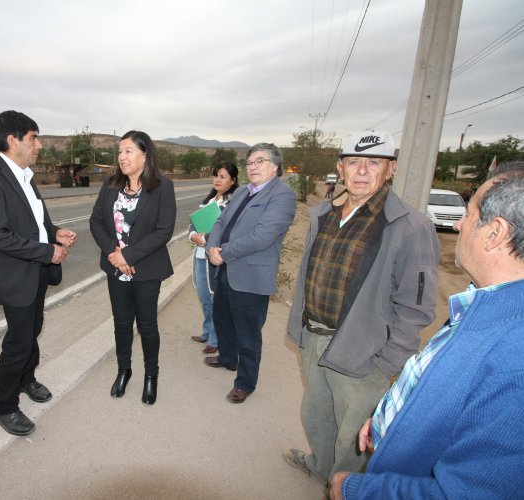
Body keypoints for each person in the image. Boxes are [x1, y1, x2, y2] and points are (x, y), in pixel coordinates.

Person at [330, 161, 524, 499]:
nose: (460, 223)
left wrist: (356, 489)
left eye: (469, 212)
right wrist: (387, 419)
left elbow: (468, 493)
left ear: (495, 233)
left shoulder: (513, 357)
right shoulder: (486, 306)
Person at [283, 131, 440, 484]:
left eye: (374, 163)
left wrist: (387, 362)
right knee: (318, 413)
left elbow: (416, 308)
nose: (363, 171)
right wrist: (300, 329)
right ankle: (321, 466)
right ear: (341, 167)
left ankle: (347, 487)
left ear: (390, 169)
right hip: (314, 337)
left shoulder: (411, 226)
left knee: (355, 432)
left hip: (363, 349)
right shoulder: (323, 214)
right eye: (354, 162)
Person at [0, 110, 77, 436]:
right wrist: (47, 251)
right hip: (15, 275)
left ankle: (26, 379)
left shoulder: (25, 177)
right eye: (34, 138)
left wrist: (55, 232)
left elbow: (35, 224)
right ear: (12, 140)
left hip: (35, 274)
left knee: (33, 328)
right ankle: (3, 406)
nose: (39, 145)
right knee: (18, 341)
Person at [204, 143, 296, 404]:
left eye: (259, 161)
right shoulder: (243, 191)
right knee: (222, 318)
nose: (252, 166)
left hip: (251, 275)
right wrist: (212, 246)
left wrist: (223, 252)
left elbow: (263, 236)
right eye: (250, 162)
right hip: (226, 269)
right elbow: (221, 221)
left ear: (275, 166)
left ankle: (245, 383)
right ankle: (227, 358)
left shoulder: (282, 196)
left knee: (248, 333)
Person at [89, 130, 176, 405]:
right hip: (116, 267)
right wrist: (114, 254)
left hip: (146, 269)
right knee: (122, 323)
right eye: (119, 151)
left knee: (147, 325)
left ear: (144, 155)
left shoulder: (162, 186)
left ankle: (152, 376)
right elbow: (96, 221)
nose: (121, 157)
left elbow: (164, 230)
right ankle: (123, 370)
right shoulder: (111, 184)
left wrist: (129, 256)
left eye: (128, 151)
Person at [189, 162, 239, 354]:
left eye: (223, 176)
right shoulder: (209, 201)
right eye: (216, 175)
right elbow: (193, 224)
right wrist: (194, 236)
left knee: (215, 298)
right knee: (204, 297)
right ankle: (207, 331)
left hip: (216, 258)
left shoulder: (232, 203)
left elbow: (228, 231)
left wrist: (205, 238)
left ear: (233, 180)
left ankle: (216, 339)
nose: (217, 180)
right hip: (200, 256)